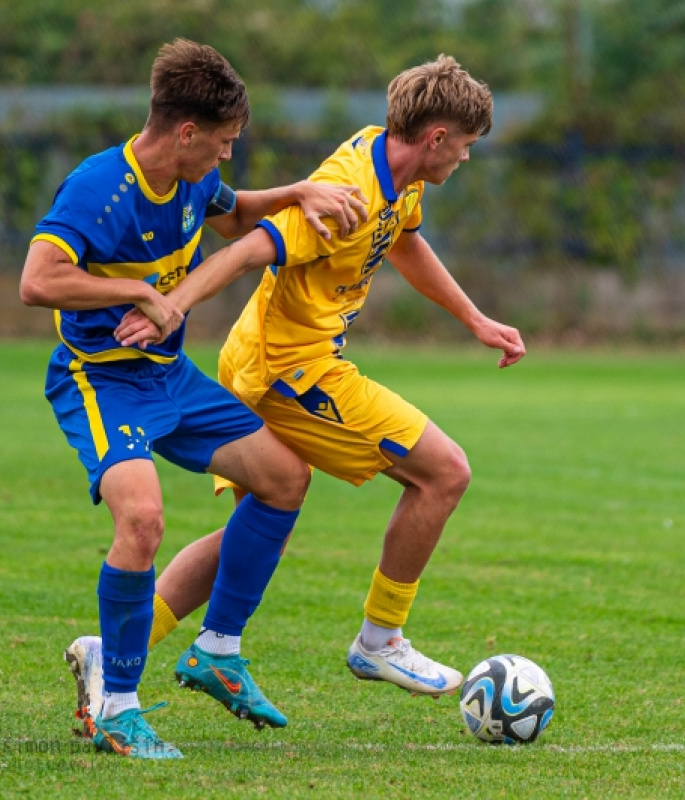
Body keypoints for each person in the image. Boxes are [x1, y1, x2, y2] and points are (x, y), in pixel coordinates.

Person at [65, 53, 526, 734]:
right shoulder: (346, 193)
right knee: (443, 472)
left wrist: (474, 318)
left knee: (252, 530)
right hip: (290, 371)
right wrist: (168, 304)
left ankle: (117, 653)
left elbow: (404, 242)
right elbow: (246, 250)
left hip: (273, 361)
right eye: (464, 146)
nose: (463, 158)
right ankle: (380, 640)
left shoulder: (392, 167)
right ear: (434, 139)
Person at [21, 38, 367, 760]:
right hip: (102, 380)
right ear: (185, 133)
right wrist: (140, 290)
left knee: (283, 479)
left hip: (171, 379)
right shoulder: (99, 187)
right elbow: (38, 281)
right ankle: (117, 705)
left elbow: (236, 214)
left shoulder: (191, 180)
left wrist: (301, 192)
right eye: (223, 143)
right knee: (143, 521)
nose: (226, 156)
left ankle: (218, 649)